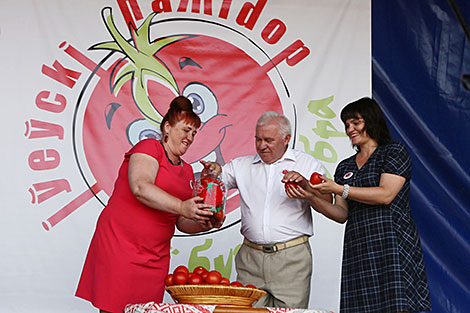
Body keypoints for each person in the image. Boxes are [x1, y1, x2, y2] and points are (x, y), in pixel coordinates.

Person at [75, 96, 223, 313]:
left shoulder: (188, 171)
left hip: (155, 256)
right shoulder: (148, 147)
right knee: (114, 308)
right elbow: (141, 188)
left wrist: (204, 222)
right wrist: (183, 206)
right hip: (121, 246)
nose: (190, 137)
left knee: (145, 309)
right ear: (167, 127)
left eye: (194, 132)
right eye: (185, 130)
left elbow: (181, 222)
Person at [284, 97, 431, 313]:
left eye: (355, 122)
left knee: (397, 306)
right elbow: (341, 213)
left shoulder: (394, 152)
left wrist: (339, 189)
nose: (350, 129)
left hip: (392, 242)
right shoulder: (345, 166)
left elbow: (386, 194)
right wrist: (310, 196)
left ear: (371, 121)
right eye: (346, 125)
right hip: (359, 246)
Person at [208, 111, 332, 308]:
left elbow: (329, 202)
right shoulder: (241, 165)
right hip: (250, 257)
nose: (261, 145)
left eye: (268, 140)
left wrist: (306, 186)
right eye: (258, 139)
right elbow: (216, 179)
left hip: (291, 257)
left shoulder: (307, 164)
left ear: (286, 139)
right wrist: (213, 171)